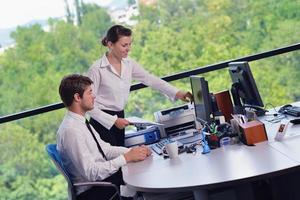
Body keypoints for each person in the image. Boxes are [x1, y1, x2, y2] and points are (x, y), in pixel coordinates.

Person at [87, 24, 193, 147]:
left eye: (130, 44)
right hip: (101, 121)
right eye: (124, 45)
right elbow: (88, 105)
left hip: (120, 117)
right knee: (112, 162)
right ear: (110, 45)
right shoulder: (96, 69)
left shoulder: (129, 63)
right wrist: (113, 121)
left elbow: (150, 79)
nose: (128, 49)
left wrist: (177, 92)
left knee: (121, 160)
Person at [56, 74, 151, 200]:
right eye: (90, 93)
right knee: (144, 184)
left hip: (104, 182)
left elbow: (105, 149)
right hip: (94, 192)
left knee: (141, 174)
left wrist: (134, 152)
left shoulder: (80, 122)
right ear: (77, 97)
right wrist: (125, 158)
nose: (94, 96)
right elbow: (92, 173)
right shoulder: (71, 131)